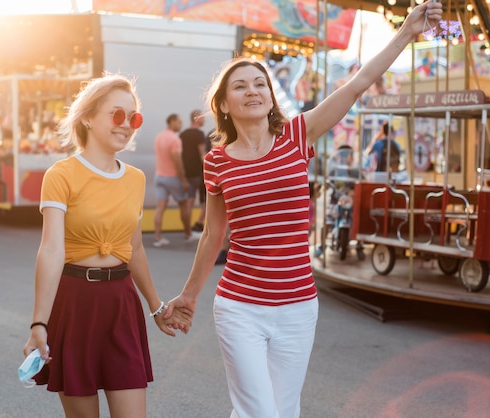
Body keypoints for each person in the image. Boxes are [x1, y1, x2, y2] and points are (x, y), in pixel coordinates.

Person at [164, 3, 442, 417]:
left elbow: (358, 83)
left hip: (297, 307)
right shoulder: (217, 160)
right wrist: (188, 295)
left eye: (260, 83)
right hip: (240, 306)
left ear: (271, 95)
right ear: (224, 103)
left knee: (283, 410)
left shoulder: (297, 135)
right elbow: (212, 233)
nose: (253, 91)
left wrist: (405, 33)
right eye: (240, 86)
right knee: (261, 412)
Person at [22, 74, 192, 418]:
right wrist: (38, 324)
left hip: (121, 307)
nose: (126, 125)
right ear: (87, 116)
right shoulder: (61, 174)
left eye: (134, 118)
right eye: (117, 115)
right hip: (74, 305)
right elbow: (51, 250)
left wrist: (156, 306)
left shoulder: (135, 178)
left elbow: (135, 250)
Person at [152, 113, 199, 246]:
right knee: (184, 205)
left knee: (160, 207)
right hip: (172, 178)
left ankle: (158, 237)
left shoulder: (159, 137)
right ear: (172, 122)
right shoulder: (174, 140)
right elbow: (177, 161)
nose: (181, 124)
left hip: (159, 176)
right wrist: (183, 180)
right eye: (179, 122)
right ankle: (188, 234)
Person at [180, 109, 207, 233]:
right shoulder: (199, 134)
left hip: (187, 173)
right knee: (206, 201)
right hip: (199, 173)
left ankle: (188, 231)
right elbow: (202, 155)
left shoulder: (183, 134)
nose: (204, 120)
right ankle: (199, 224)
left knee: (189, 201)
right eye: (202, 117)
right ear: (197, 118)